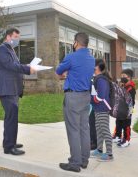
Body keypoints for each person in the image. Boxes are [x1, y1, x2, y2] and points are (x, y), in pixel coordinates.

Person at [56, 32, 95, 172]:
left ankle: (74, 163)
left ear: (76, 43)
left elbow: (58, 71)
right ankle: (84, 160)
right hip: (85, 97)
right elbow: (81, 73)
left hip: (73, 97)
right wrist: (70, 73)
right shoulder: (91, 59)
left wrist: (67, 73)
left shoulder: (71, 57)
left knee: (73, 130)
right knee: (84, 129)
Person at [0, 28, 36, 156]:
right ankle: (9, 147)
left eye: (18, 37)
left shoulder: (10, 50)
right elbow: (11, 66)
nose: (17, 39)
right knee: (11, 118)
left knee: (10, 117)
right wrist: (27, 70)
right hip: (7, 89)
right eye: (15, 37)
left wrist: (27, 65)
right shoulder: (2, 49)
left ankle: (9, 141)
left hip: (13, 89)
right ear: (8, 36)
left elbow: (14, 64)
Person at [90, 59, 114, 162]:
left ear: (98, 67)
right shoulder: (97, 78)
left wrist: (93, 100)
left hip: (102, 108)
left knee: (104, 130)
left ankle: (109, 154)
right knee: (99, 130)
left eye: (93, 66)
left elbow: (102, 95)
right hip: (98, 108)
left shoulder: (101, 79)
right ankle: (99, 150)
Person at [113, 69, 136, 148]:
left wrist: (129, 111)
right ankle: (118, 136)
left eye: (124, 76)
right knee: (119, 122)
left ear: (129, 77)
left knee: (126, 124)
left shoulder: (131, 88)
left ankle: (126, 140)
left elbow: (131, 101)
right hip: (121, 108)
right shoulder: (123, 85)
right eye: (121, 76)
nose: (122, 78)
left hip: (128, 109)